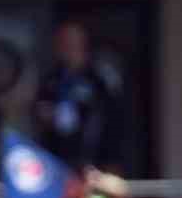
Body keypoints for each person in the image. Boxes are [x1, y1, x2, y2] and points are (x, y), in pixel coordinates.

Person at [33, 21, 119, 172]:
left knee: (95, 196)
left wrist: (110, 161)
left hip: (93, 161)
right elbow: (40, 111)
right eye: (63, 42)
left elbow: (110, 121)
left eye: (72, 41)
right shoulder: (51, 79)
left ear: (83, 43)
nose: (67, 47)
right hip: (56, 161)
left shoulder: (98, 80)